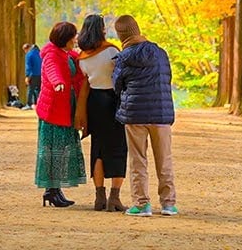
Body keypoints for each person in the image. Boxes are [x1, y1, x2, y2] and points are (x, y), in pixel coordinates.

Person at [112, 15, 177, 218]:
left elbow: (117, 85)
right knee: (164, 159)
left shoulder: (124, 57)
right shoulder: (160, 53)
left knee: (138, 160)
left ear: (121, 36)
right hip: (161, 113)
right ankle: (168, 204)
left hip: (135, 114)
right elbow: (168, 78)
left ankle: (141, 204)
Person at [75, 14, 128, 212]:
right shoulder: (112, 51)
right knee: (118, 147)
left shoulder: (82, 57)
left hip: (94, 102)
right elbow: (122, 74)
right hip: (113, 101)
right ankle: (115, 197)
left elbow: (86, 79)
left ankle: (99, 197)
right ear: (101, 30)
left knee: (98, 148)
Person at [35, 23, 86, 207]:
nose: (75, 38)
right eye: (73, 36)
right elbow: (52, 71)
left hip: (65, 110)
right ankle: (51, 191)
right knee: (53, 151)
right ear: (65, 38)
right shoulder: (52, 55)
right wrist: (57, 83)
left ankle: (55, 190)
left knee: (62, 151)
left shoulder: (68, 54)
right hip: (53, 112)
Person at [24, 42, 42, 108]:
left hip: (33, 74)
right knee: (38, 90)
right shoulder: (40, 53)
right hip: (41, 74)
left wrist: (27, 76)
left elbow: (28, 66)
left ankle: (28, 104)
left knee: (30, 90)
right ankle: (38, 103)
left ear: (27, 48)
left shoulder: (29, 54)